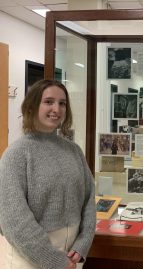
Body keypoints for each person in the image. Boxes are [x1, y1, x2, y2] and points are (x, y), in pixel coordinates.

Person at [0, 79, 96, 269]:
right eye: (49, 102)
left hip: (70, 256)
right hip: (26, 258)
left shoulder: (74, 151)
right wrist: (54, 260)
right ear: (32, 105)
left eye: (62, 103)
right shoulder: (17, 154)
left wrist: (83, 242)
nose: (57, 109)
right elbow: (14, 221)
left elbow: (89, 198)